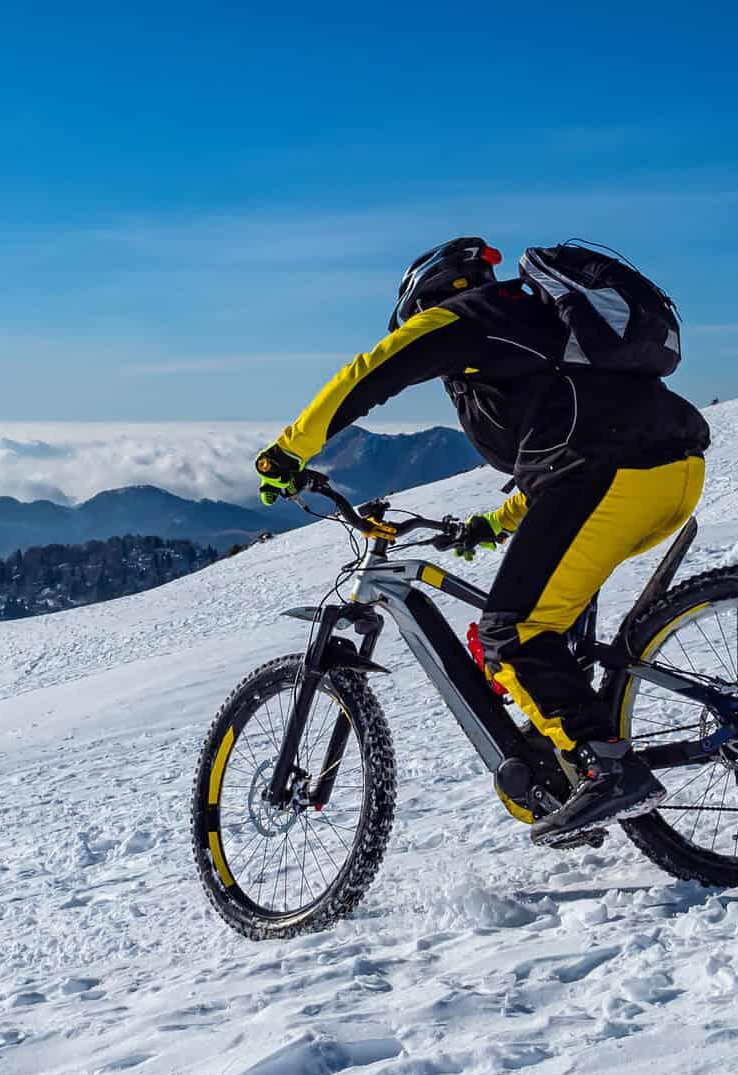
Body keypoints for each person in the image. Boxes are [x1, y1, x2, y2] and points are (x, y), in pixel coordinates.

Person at [254, 237, 710, 845]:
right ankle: (572, 776)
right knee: (548, 626)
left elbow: (368, 374)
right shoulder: (532, 334)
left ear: (426, 299)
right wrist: (495, 523)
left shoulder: (466, 317)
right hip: (665, 474)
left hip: (616, 477)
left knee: (510, 631)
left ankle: (608, 766)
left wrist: (291, 448)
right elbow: (568, 441)